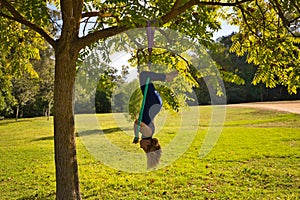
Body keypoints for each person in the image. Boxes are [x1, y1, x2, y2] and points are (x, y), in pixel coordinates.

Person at [133, 70, 178, 169]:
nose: (141, 147)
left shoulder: (149, 133)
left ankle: (166, 76)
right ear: (148, 143)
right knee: (144, 76)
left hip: (155, 102)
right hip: (153, 102)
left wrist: (137, 135)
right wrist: (136, 135)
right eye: (144, 148)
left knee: (145, 77)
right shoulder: (148, 134)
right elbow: (137, 122)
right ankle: (167, 77)